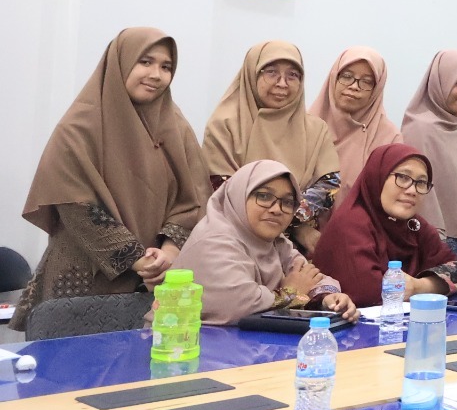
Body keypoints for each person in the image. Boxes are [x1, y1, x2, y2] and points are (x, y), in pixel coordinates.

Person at [10, 28, 208, 333]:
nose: (156, 75)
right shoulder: (79, 126)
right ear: (120, 62)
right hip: (81, 280)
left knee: (151, 360)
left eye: (166, 66)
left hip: (155, 284)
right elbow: (75, 205)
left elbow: (192, 199)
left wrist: (168, 254)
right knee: (73, 362)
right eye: (145, 62)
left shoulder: (176, 128)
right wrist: (137, 259)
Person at [173, 159, 358, 325]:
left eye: (287, 202)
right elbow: (238, 307)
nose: (276, 209)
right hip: (187, 345)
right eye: (264, 196)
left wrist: (329, 299)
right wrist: (291, 292)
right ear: (239, 195)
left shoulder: (275, 242)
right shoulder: (213, 242)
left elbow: (309, 276)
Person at [202, 40, 340, 254]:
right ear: (252, 74)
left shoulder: (315, 129)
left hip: (298, 249)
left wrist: (289, 220)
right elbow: (223, 189)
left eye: (293, 75)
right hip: (236, 241)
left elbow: (329, 183)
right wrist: (294, 226)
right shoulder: (225, 124)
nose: (282, 83)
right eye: (271, 72)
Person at [312, 144, 457, 306]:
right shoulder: (351, 224)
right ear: (377, 177)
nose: (412, 190)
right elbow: (370, 293)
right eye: (403, 177)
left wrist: (418, 286)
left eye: (421, 182)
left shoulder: (414, 225)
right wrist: (432, 286)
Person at [404, 50, 457, 258]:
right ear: (441, 82)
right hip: (434, 242)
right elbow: (417, 192)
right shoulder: (419, 129)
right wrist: (438, 243)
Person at [309, 47, 403, 187]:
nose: (354, 86)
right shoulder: (305, 127)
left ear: (376, 89)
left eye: (366, 81)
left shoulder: (389, 138)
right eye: (347, 76)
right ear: (334, 78)